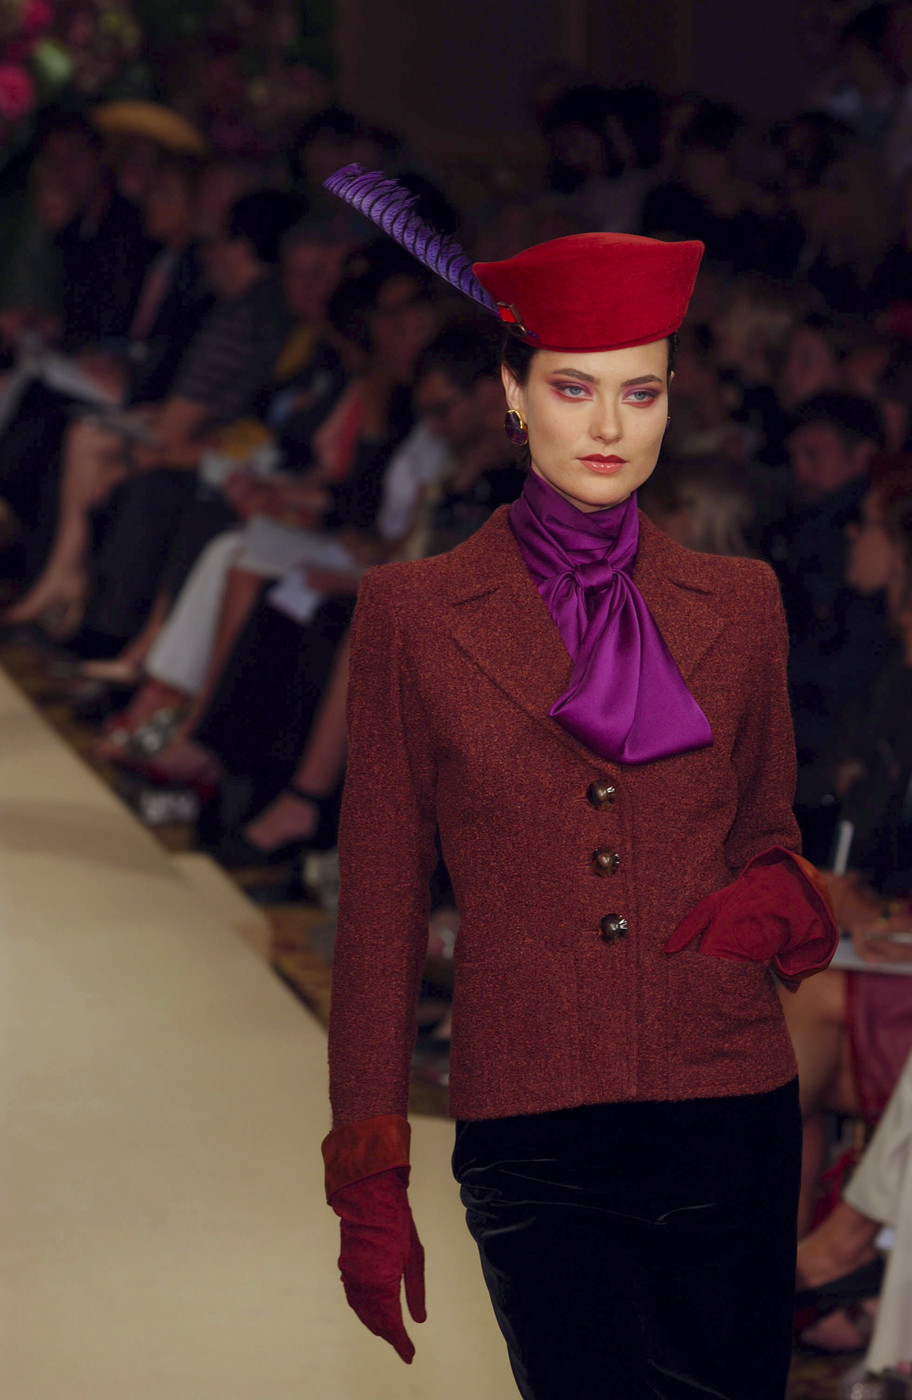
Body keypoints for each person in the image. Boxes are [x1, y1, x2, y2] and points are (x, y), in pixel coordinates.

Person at [319, 171, 839, 1400]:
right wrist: (368, 1167)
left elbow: (767, 826)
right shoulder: (413, 615)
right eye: (573, 386)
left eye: (639, 390)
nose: (609, 424)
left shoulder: (743, 603)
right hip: (533, 1122)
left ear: (671, 399)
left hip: (729, 1110)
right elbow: (381, 905)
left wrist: (779, 893)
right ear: (513, 394)